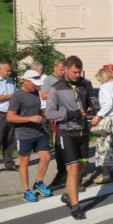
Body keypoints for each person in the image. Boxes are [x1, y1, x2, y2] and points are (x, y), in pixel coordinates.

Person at [45, 56, 92, 220]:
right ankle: (75, 206)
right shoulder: (55, 88)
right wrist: (71, 114)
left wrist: (93, 111)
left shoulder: (85, 85)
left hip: (83, 132)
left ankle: (67, 193)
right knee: (72, 170)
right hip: (66, 133)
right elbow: (49, 113)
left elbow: (88, 105)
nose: (77, 75)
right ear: (65, 69)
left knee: (81, 168)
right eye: (74, 72)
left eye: (79, 72)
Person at [6, 70, 52, 202]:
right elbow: (10, 117)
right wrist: (30, 118)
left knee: (46, 157)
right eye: (33, 83)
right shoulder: (17, 96)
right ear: (25, 80)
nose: (36, 86)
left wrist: (43, 114)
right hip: (24, 134)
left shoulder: (36, 92)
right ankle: (26, 191)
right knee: (24, 163)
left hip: (39, 131)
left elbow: (37, 110)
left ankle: (39, 183)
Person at [43, 58, 67, 189]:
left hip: (65, 112)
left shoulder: (65, 79)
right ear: (55, 67)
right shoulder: (49, 79)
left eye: (64, 69)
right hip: (55, 112)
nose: (63, 71)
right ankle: (58, 151)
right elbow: (43, 94)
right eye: (61, 69)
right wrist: (58, 95)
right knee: (57, 134)